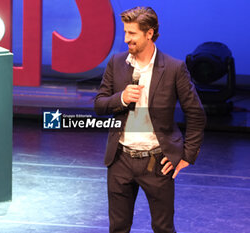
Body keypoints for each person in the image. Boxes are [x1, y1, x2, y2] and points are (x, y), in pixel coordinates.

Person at [94, 6, 206, 233]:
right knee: (118, 227)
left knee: (163, 228)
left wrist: (187, 155)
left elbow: (196, 113)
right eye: (125, 32)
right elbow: (99, 104)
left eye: (132, 34)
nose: (127, 39)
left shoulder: (174, 69)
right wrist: (121, 98)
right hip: (120, 160)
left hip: (157, 162)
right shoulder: (116, 63)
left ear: (149, 33)